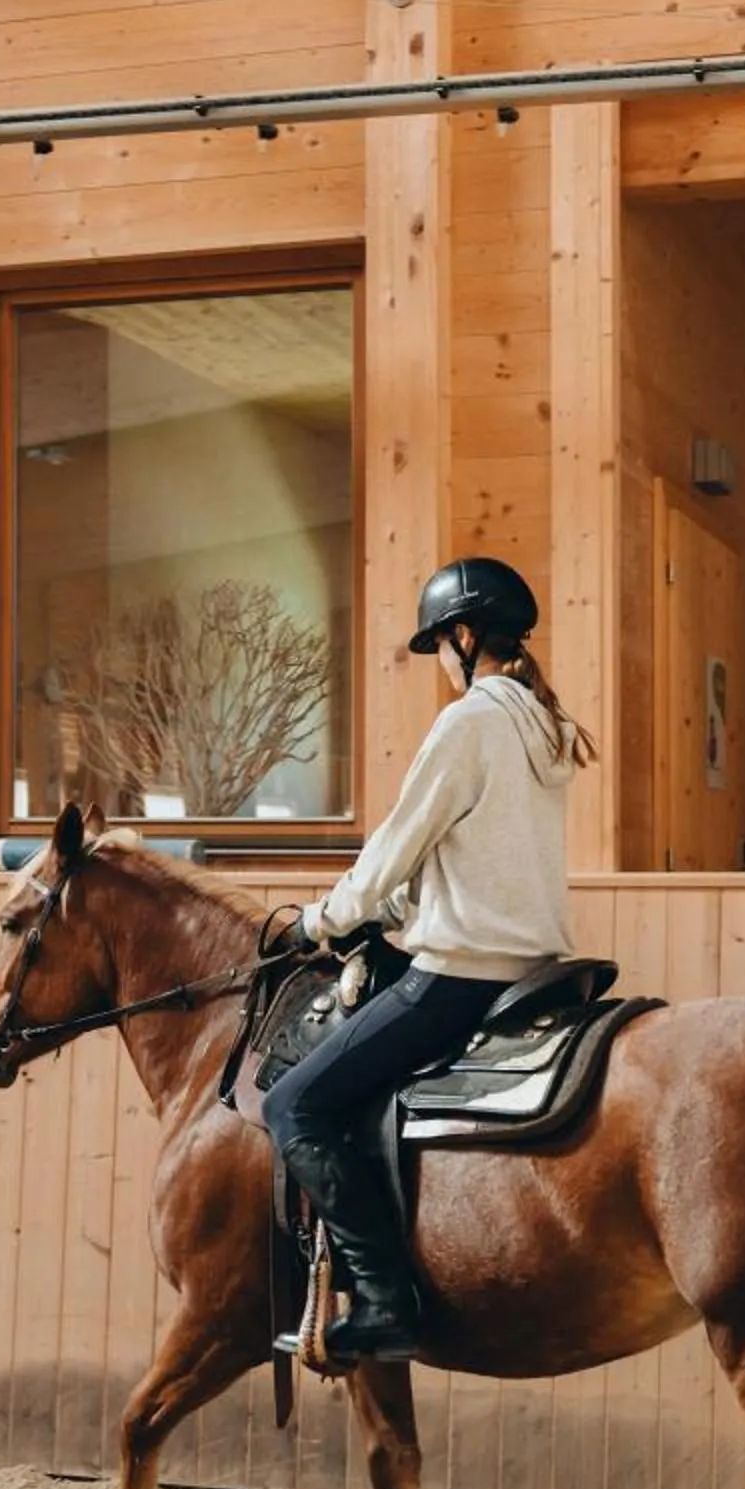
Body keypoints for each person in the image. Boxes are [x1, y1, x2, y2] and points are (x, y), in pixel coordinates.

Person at [265, 555, 597, 1363]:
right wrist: (389, 912)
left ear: (464, 636)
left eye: (440, 646)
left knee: (294, 1107)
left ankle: (384, 1301)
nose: (442, 664)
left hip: (458, 977)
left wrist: (320, 920)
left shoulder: (469, 723)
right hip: (534, 971)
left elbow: (394, 847)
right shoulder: (543, 723)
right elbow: (464, 859)